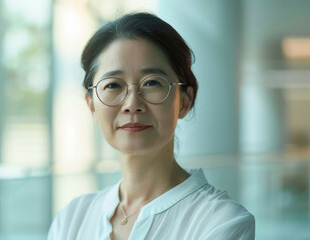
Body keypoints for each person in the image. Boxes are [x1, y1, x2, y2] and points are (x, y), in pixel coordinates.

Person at [48, 12, 255, 240]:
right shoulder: (72, 218)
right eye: (113, 85)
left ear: (184, 101)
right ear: (92, 106)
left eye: (152, 83)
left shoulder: (221, 222)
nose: (132, 104)